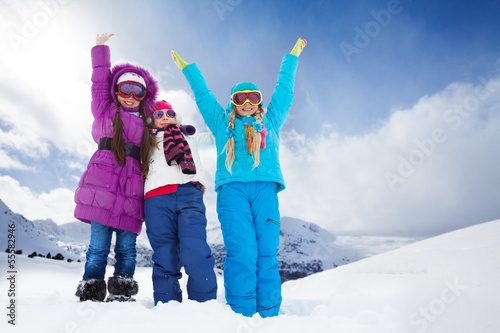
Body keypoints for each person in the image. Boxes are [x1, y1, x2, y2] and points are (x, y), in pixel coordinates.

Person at [170, 38, 307, 317]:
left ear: (259, 102)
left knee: (266, 252)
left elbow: (284, 93)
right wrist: (188, 68)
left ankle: (268, 313)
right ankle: (241, 314)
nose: (246, 102)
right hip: (232, 192)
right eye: (240, 98)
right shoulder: (222, 124)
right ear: (233, 102)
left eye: (253, 97)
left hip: (265, 190)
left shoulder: (270, 121)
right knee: (242, 252)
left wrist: (291, 57)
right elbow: (204, 96)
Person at [74, 33, 158, 302]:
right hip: (102, 189)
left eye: (138, 91)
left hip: (132, 194)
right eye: (126, 89)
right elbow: (99, 80)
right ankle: (91, 289)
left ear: (144, 95)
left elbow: (168, 133)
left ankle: (122, 292)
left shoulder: (148, 123)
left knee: (126, 248)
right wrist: (101, 50)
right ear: (116, 91)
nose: (131, 96)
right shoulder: (105, 111)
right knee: (98, 247)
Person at [143, 100, 217, 305]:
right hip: (156, 199)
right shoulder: (145, 140)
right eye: (159, 114)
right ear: (151, 120)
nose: (165, 116)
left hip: (189, 193)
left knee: (196, 251)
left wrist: (234, 119)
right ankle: (168, 310)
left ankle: (205, 307)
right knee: (165, 256)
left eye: (170, 113)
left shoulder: (189, 137)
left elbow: (218, 135)